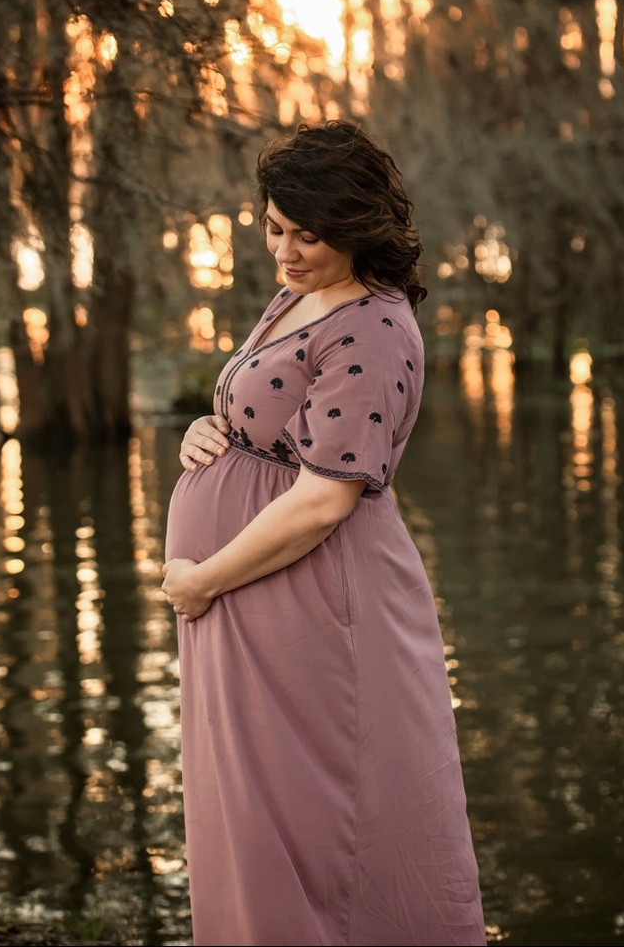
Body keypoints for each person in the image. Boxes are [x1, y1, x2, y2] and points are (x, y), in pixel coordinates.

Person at [162, 120, 486, 947]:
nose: (287, 250)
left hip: (310, 599)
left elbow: (324, 499)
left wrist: (201, 580)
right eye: (275, 228)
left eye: (309, 234)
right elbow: (271, 420)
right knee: (249, 808)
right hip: (251, 593)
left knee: (317, 820)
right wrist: (210, 429)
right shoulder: (302, 296)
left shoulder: (374, 327)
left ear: (359, 226)